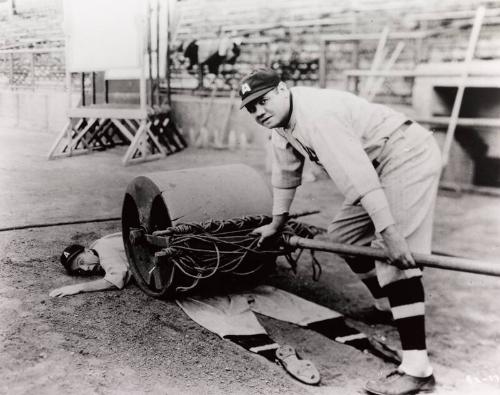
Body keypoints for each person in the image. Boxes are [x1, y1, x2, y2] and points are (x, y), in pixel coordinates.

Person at [239, 69, 441, 395]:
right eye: (251, 107)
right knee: (342, 240)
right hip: (376, 165)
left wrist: (390, 231)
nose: (258, 111)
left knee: (393, 255)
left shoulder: (317, 116)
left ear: (283, 88)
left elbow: (359, 178)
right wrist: (277, 224)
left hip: (406, 154)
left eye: (263, 100)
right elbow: (285, 175)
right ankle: (387, 308)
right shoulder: (280, 123)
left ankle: (418, 370)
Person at [50, 233, 401, 385]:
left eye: (83, 262)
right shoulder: (106, 242)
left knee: (219, 310)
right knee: (263, 299)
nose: (86, 269)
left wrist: (77, 287)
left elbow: (117, 280)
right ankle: (360, 341)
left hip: (181, 269)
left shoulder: (107, 252)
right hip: (187, 259)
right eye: (80, 270)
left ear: (89, 250)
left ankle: (278, 348)